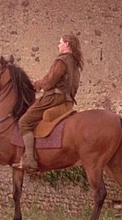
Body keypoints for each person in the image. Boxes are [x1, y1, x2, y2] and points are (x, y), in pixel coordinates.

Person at [15, 33, 83, 172]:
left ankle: (30, 160)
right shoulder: (76, 64)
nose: (58, 45)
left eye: (60, 42)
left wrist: (37, 84)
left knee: (24, 122)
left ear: (67, 44)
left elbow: (50, 81)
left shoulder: (62, 61)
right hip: (68, 101)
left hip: (54, 98)